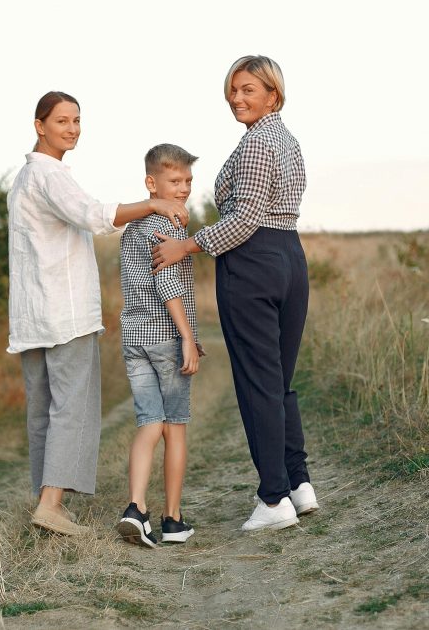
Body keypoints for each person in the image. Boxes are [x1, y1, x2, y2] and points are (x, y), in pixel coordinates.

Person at [7, 91, 189, 537]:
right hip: (63, 312)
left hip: (32, 315)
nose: (71, 128)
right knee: (71, 406)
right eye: (62, 121)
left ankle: (48, 503)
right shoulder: (49, 176)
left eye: (76, 120)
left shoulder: (24, 179)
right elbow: (94, 216)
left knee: (44, 409)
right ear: (39, 126)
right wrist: (153, 204)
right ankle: (51, 504)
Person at [151, 55, 319, 532]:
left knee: (258, 384)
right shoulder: (289, 141)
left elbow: (243, 219)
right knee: (279, 380)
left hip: (254, 263)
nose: (237, 98)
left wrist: (189, 243)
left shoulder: (258, 144)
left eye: (248, 89)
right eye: (232, 90)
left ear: (273, 94)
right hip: (290, 257)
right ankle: (298, 485)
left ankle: (273, 500)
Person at [116, 144, 203, 548]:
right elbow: (167, 284)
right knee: (176, 427)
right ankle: (172, 519)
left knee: (149, 423)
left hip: (134, 339)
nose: (183, 188)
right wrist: (188, 337)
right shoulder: (168, 227)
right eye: (174, 181)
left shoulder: (132, 228)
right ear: (152, 183)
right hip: (166, 339)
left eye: (187, 181)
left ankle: (135, 508)